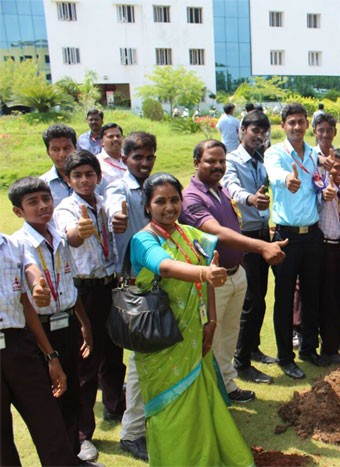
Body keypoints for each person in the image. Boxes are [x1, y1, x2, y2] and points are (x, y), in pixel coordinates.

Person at [128, 172, 254, 466]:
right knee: (169, 409)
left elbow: (208, 280)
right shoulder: (143, 240)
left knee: (200, 401)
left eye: (174, 200)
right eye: (160, 201)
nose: (169, 207)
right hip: (160, 337)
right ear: (147, 206)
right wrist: (204, 273)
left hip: (195, 333)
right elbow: (166, 267)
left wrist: (211, 321)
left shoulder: (192, 236)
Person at [180, 139, 287, 402]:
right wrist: (262, 246)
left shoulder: (221, 189)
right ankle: (208, 396)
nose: (217, 166)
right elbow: (218, 233)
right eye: (210, 161)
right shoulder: (191, 197)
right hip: (212, 280)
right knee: (211, 339)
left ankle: (226, 385)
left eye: (221, 161)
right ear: (196, 163)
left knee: (229, 336)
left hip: (235, 273)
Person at [10, 176, 94, 462]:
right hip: (40, 333)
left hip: (67, 322)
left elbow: (70, 283)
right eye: (33, 202)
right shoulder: (17, 246)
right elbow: (28, 302)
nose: (43, 206)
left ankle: (73, 455)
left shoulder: (58, 237)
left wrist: (84, 322)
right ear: (18, 212)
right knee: (50, 401)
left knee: (74, 394)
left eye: (46, 199)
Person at [53, 150, 125, 462]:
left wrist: (119, 221)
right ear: (67, 180)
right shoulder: (67, 207)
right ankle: (83, 434)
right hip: (85, 290)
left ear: (98, 175)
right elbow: (71, 237)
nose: (84, 180)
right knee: (86, 363)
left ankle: (115, 407)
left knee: (114, 353)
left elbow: (117, 220)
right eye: (77, 176)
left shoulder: (103, 202)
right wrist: (78, 233)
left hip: (110, 285)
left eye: (89, 174)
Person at [0, 225, 77, 466]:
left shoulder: (12, 246)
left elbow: (26, 298)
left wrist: (51, 356)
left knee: (49, 425)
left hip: (18, 346)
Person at [105, 131, 157, 461]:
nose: (144, 162)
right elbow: (113, 207)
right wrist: (117, 217)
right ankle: (131, 433)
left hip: (157, 281)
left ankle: (144, 420)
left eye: (150, 157)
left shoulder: (153, 188)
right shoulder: (119, 188)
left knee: (153, 356)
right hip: (135, 285)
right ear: (124, 159)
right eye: (138, 157)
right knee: (139, 362)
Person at [265, 103, 326, 379]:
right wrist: (286, 179)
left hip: (312, 234)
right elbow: (275, 175)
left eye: (301, 122)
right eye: (291, 122)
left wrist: (326, 190)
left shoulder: (314, 154)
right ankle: (285, 357)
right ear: (283, 126)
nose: (297, 127)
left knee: (313, 293)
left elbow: (318, 183)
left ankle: (309, 348)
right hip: (286, 237)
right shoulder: (274, 153)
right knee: (284, 297)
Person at [223, 111, 279, 385]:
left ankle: (253, 348)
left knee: (260, 297)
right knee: (250, 301)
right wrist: (249, 198)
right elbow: (230, 187)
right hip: (244, 237)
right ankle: (241, 361)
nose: (259, 136)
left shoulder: (262, 159)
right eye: (254, 130)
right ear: (241, 130)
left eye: (263, 132)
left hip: (262, 234)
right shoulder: (232, 160)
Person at [317, 148, 340, 363]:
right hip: (325, 248)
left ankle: (338, 339)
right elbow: (320, 197)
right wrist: (323, 193)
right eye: (337, 167)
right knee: (328, 298)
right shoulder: (322, 186)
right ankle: (328, 349)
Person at [40, 124, 77, 207]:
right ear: (48, 152)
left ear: (76, 148)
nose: (62, 155)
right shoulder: (42, 185)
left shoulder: (93, 180)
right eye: (55, 149)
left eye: (67, 148)